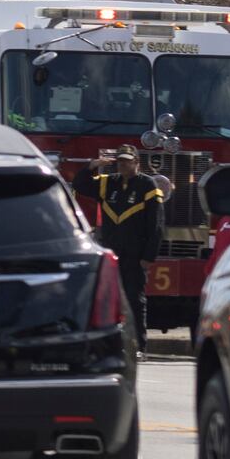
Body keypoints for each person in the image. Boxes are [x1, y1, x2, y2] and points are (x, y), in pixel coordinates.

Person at [92, 145, 165, 339]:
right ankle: (110, 342)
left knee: (134, 300)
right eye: (120, 161)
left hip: (135, 254)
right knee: (107, 299)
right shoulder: (109, 182)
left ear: (136, 163)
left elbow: (156, 225)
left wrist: (149, 256)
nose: (122, 165)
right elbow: (80, 185)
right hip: (111, 253)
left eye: (127, 161)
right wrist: (93, 166)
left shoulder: (147, 185)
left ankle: (138, 344)